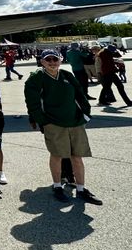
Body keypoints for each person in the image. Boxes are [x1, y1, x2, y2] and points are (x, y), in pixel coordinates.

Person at [24, 49, 101, 204]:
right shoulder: (37, 78)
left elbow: (80, 94)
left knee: (77, 156)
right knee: (57, 156)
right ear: (42, 62)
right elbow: (32, 103)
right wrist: (43, 121)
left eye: (55, 59)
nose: (52, 62)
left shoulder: (67, 75)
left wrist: (86, 113)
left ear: (60, 60)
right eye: (48, 60)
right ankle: (57, 186)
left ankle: (81, 189)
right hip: (54, 123)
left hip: (75, 122)